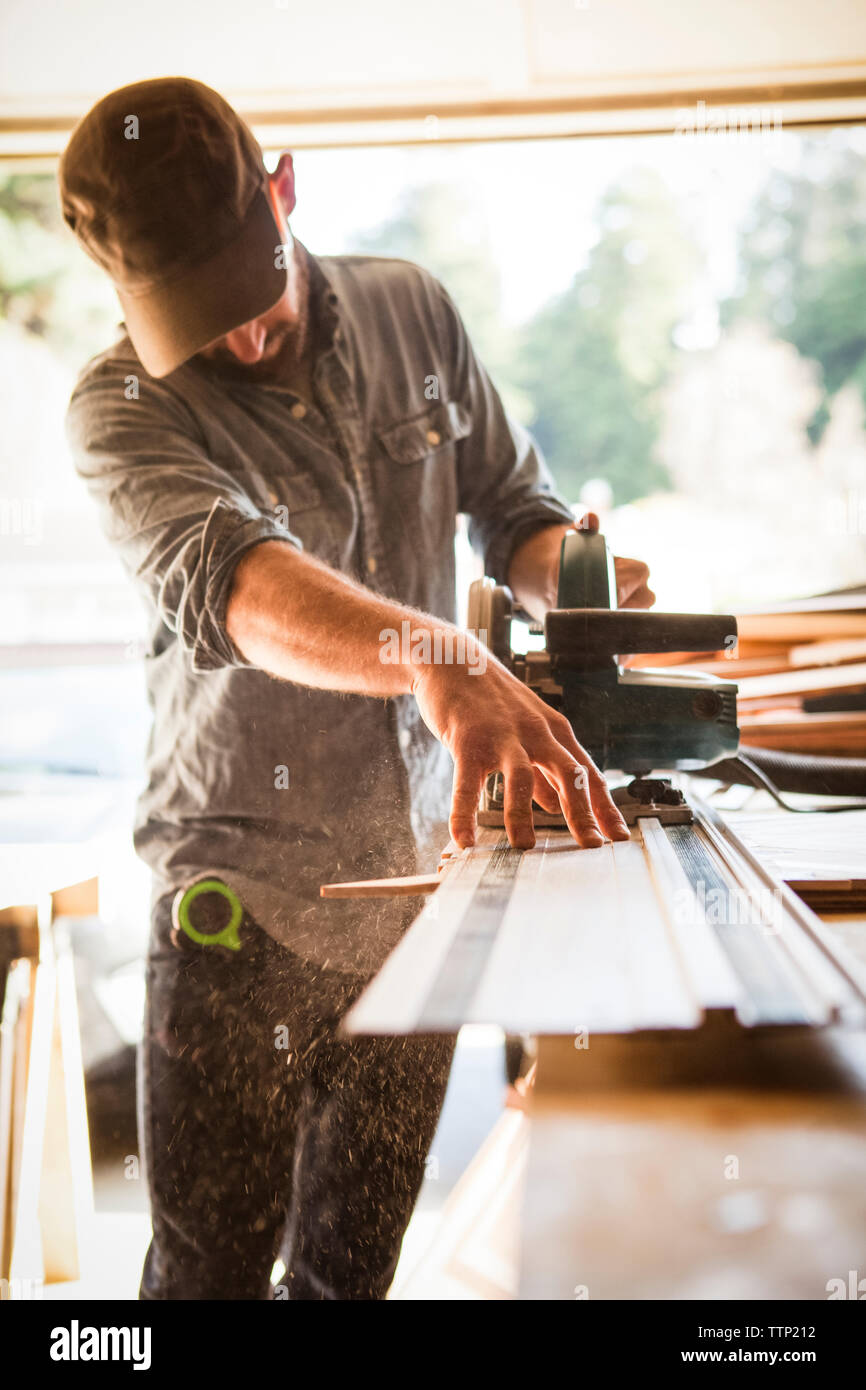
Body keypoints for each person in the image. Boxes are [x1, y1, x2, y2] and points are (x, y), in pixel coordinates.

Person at [59, 76, 654, 1300]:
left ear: (285, 190)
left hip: (415, 893)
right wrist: (447, 662)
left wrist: (572, 575)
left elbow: (510, 511)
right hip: (234, 906)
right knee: (205, 1276)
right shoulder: (119, 407)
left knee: (349, 1275)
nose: (235, 338)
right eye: (192, 319)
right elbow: (239, 583)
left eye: (246, 290)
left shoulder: (412, 314)